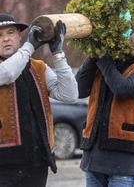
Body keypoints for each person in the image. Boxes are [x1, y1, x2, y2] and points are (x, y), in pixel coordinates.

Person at [76, 19, 134, 187]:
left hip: (125, 156)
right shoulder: (109, 60)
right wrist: (93, 54)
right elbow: (79, 90)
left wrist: (103, 58)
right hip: (93, 154)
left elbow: (122, 88)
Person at [0, 13, 78, 187]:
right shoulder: (5, 69)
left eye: (10, 32)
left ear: (19, 35)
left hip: (37, 162)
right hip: (3, 166)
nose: (6, 39)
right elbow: (8, 74)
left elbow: (69, 95)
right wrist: (29, 46)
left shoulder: (38, 67)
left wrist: (58, 53)